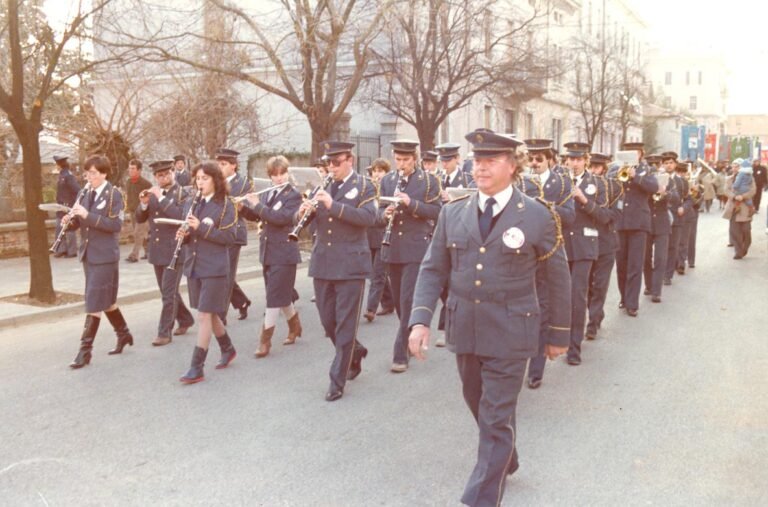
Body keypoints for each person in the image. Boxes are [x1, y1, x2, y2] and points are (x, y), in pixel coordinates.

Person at [407, 128, 571, 507]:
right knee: (477, 401)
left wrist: (558, 333)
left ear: (512, 166)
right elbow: (433, 269)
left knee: (495, 416)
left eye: (490, 160)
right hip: (465, 327)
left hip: (513, 330)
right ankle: (505, 455)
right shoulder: (453, 212)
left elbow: (558, 278)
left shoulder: (537, 216)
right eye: (477, 160)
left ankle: (480, 497)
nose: (480, 168)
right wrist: (420, 320)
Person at [298, 140, 377, 401]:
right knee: (327, 321)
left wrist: (333, 205)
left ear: (349, 160)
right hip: (323, 263)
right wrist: (302, 213)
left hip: (351, 264)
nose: (331, 167)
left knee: (345, 324)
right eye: (328, 163)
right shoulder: (322, 187)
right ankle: (356, 351)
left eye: (336, 162)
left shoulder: (364, 186)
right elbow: (305, 223)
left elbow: (368, 218)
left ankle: (337, 379)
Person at [63, 155, 135, 368]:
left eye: (93, 173)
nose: (89, 177)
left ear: (104, 173)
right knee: (106, 300)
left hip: (105, 255)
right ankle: (123, 333)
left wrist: (87, 215)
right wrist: (70, 221)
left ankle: (85, 351)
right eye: (87, 173)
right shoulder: (85, 193)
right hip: (89, 254)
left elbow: (115, 225)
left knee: (94, 301)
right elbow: (80, 222)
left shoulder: (114, 195)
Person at [378, 139, 442, 373]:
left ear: (415, 159)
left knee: (406, 301)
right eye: (398, 160)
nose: (401, 164)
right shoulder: (387, 181)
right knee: (399, 303)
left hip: (416, 248)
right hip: (393, 248)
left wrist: (411, 203)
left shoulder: (429, 181)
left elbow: (437, 211)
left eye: (406, 160)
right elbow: (378, 211)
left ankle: (400, 353)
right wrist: (385, 214)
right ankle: (408, 336)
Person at [178, 161, 238, 384]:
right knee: (210, 313)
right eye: (198, 179)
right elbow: (190, 234)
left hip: (215, 266)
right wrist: (184, 235)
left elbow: (229, 238)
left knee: (204, 315)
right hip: (194, 264)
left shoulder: (226, 205)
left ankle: (197, 367)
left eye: (205, 178)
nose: (200, 183)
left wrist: (200, 228)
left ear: (216, 180)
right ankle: (228, 348)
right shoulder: (190, 203)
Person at [239, 155, 303, 358]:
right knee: (280, 295)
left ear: (288, 173)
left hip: (285, 253)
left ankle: (265, 341)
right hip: (268, 251)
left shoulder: (294, 195)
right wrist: (243, 208)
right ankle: (295, 326)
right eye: (275, 175)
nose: (279, 178)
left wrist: (258, 205)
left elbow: (281, 218)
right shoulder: (268, 192)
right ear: (270, 176)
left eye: (282, 173)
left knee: (273, 298)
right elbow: (260, 215)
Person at [523, 139, 574, 386]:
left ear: (550, 161)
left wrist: (545, 208)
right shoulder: (519, 182)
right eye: (530, 159)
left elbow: (570, 216)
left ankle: (536, 370)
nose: (534, 163)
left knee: (542, 309)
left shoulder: (562, 183)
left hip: (547, 252)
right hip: (522, 253)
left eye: (539, 159)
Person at [135, 159, 196, 347]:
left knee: (168, 293)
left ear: (173, 173)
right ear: (155, 177)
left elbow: (180, 216)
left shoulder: (183, 193)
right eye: (160, 175)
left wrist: (161, 197)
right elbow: (139, 218)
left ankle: (164, 332)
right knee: (167, 290)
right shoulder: (153, 194)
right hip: (157, 249)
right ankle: (185, 319)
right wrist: (143, 204)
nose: (164, 178)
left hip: (175, 249)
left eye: (167, 174)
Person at [561, 142, 608, 366]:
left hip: (584, 247)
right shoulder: (559, 181)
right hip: (561, 245)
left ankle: (574, 348)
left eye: (579, 159)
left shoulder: (597, 183)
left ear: (585, 161)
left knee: (577, 296)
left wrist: (584, 200)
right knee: (559, 296)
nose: (574, 163)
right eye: (571, 159)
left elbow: (605, 216)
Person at [614, 142, 658, 317]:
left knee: (635, 264)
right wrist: (617, 174)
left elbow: (654, 187)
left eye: (635, 152)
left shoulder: (647, 170)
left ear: (640, 154)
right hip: (621, 221)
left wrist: (636, 177)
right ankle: (624, 297)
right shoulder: (616, 169)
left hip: (639, 223)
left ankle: (632, 303)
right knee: (621, 264)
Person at [216, 148, 254, 321]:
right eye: (218, 164)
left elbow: (251, 211)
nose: (220, 167)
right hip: (216, 232)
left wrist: (239, 206)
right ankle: (241, 301)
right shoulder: (215, 181)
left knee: (226, 275)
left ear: (233, 165)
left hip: (234, 232)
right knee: (219, 271)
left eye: (223, 164)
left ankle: (220, 316)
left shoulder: (244, 183)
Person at [586, 153, 621, 339]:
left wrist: (589, 205)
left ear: (604, 169)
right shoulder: (581, 186)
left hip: (605, 242)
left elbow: (611, 216)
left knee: (600, 284)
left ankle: (592, 322)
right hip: (585, 243)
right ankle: (596, 312)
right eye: (590, 166)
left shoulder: (615, 188)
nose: (593, 171)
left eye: (597, 167)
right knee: (586, 285)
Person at [642, 152, 679, 303]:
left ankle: (656, 291)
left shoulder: (668, 180)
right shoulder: (644, 180)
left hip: (662, 223)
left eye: (656, 164)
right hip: (646, 222)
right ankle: (649, 285)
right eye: (651, 165)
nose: (654, 167)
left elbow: (676, 198)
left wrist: (666, 193)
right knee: (645, 257)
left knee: (660, 258)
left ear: (660, 165)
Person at [363, 158, 394, 322]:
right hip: (369, 236)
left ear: (387, 173)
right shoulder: (368, 188)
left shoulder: (390, 188)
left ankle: (371, 309)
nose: (377, 174)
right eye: (374, 171)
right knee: (373, 274)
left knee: (378, 274)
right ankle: (389, 302)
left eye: (380, 171)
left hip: (384, 236)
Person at [664, 161, 692, 285]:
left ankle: (667, 275)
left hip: (676, 217)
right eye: (665, 163)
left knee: (672, 247)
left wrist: (683, 208)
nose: (668, 165)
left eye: (671, 163)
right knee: (661, 248)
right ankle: (659, 272)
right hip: (660, 217)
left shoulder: (682, 181)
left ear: (675, 165)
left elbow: (688, 199)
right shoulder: (657, 178)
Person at [723, 162, 756, 259]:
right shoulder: (729, 179)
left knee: (746, 230)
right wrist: (734, 196)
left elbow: (753, 190)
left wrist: (743, 196)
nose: (735, 168)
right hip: (733, 208)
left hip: (745, 207)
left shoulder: (749, 177)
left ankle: (745, 247)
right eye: (733, 166)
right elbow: (726, 190)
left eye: (737, 166)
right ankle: (738, 252)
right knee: (735, 232)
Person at [52, 155, 80, 258]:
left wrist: (73, 204)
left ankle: (72, 251)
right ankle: (61, 249)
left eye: (56, 164)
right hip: (61, 206)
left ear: (59, 165)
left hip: (68, 206)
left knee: (69, 228)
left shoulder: (68, 176)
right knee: (59, 226)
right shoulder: (62, 175)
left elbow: (77, 190)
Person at [124, 159, 152, 263]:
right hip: (132, 212)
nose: (130, 170)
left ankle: (134, 255)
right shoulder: (128, 182)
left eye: (133, 168)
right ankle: (148, 252)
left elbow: (150, 199)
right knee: (141, 234)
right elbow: (128, 196)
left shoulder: (146, 184)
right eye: (129, 168)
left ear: (139, 170)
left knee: (138, 233)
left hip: (143, 213)